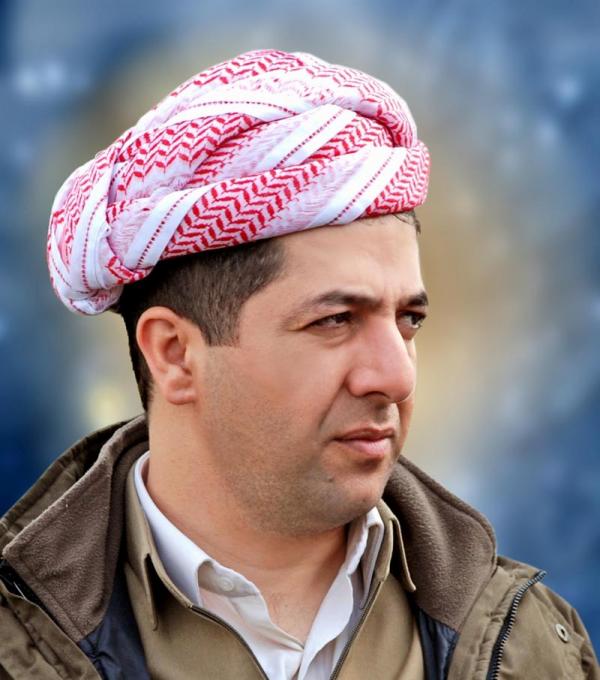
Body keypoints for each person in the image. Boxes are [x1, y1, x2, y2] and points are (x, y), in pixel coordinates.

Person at [0, 49, 597, 680]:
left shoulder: (530, 645)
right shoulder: (20, 643)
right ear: (173, 354)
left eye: (408, 320)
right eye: (334, 321)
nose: (396, 378)